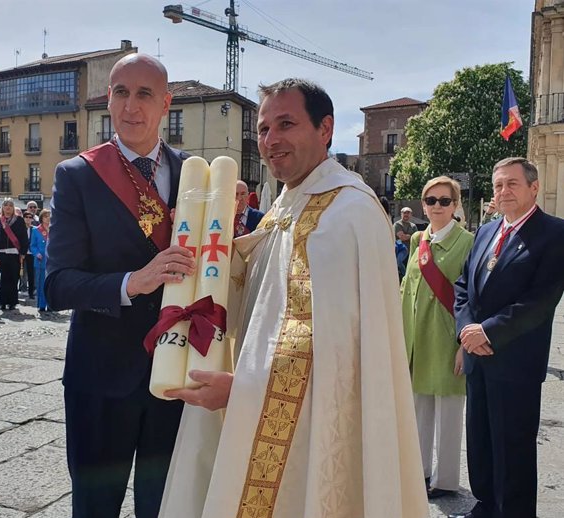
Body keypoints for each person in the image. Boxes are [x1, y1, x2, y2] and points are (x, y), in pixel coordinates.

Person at [160, 78, 427, 518]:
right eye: (264, 129)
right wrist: (216, 247)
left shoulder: (347, 212)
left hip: (316, 426)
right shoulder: (286, 205)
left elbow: (332, 348)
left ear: (325, 129)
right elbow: (262, 297)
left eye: (286, 124)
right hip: (254, 398)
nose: (271, 140)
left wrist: (245, 391)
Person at [44, 53, 195, 518]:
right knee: (95, 508)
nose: (131, 106)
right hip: (101, 377)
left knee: (166, 507)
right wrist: (136, 281)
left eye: (144, 93)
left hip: (176, 375)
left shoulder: (195, 173)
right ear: (108, 99)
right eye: (120, 92)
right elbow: (58, 285)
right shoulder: (78, 175)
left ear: (166, 103)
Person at [450, 157, 564, 518]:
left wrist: (489, 331)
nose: (503, 191)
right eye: (498, 185)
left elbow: (541, 300)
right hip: (477, 358)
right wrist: (467, 333)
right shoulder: (486, 231)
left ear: (533, 187)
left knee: (513, 448)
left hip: (515, 362)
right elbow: (464, 286)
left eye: (512, 184)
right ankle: (484, 506)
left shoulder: (555, 233)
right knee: (480, 441)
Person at [400, 176, 474, 500]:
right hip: (417, 337)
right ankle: (420, 472)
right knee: (419, 409)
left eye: (445, 201)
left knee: (448, 411)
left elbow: (474, 296)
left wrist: (464, 346)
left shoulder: (468, 242)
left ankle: (444, 480)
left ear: (455, 205)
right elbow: (406, 289)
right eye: (431, 201)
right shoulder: (418, 240)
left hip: (448, 340)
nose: (437, 207)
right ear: (423, 205)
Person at [0, 199, 28, 311]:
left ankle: (12, 301)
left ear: (13, 208)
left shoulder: (19, 220)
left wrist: (23, 252)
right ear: (2, 208)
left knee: (14, 278)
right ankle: (3, 302)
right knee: (4, 278)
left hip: (15, 253)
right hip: (2, 253)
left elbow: (24, 237)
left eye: (10, 205)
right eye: (6, 205)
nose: (8, 207)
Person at [30, 209, 50, 312]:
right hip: (40, 260)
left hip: (52, 261)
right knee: (41, 283)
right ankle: (42, 304)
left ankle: (51, 304)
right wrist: (36, 253)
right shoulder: (35, 230)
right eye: (46, 216)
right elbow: (32, 246)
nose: (48, 218)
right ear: (41, 218)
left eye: (49, 216)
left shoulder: (54, 229)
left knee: (51, 283)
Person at [21, 211, 36, 299]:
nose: (28, 219)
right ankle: (22, 290)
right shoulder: (20, 228)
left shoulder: (34, 229)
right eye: (26, 217)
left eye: (30, 217)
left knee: (31, 274)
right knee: (21, 273)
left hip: (31, 254)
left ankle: (31, 292)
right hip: (22, 254)